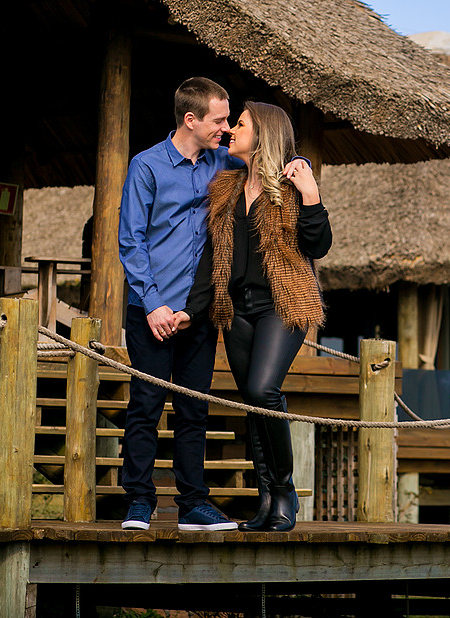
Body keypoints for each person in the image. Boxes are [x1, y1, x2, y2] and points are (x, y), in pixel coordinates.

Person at [117, 78, 308, 531]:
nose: (226, 128)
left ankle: (194, 505)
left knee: (194, 410)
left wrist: (298, 163)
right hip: (153, 308)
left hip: (199, 310)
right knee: (146, 404)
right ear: (191, 120)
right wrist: (154, 304)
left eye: (229, 121)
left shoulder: (224, 162)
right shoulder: (146, 167)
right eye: (219, 119)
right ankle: (140, 502)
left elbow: (268, 155)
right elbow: (131, 241)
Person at [176, 101, 332, 532]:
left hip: (283, 305)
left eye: (239, 125)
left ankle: (284, 495)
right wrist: (193, 310)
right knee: (252, 403)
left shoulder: (289, 183)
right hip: (237, 308)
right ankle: (266, 503)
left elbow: (318, 245)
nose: (230, 131)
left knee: (264, 390)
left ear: (262, 134)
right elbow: (211, 258)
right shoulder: (225, 188)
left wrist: (311, 194)